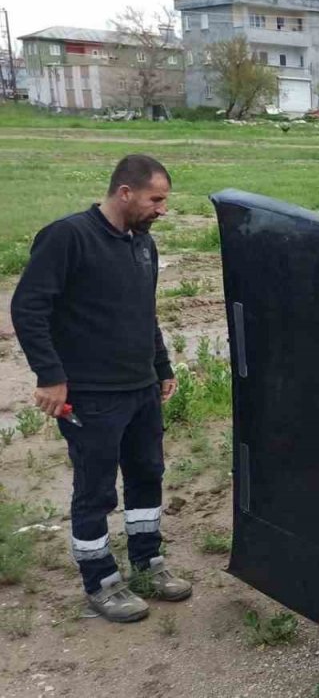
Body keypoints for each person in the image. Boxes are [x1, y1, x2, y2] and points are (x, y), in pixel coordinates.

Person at [11, 154, 188, 623]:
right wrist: (50, 376)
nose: (162, 209)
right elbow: (28, 308)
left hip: (140, 388)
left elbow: (145, 311)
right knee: (95, 489)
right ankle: (101, 582)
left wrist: (161, 366)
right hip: (91, 395)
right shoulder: (68, 237)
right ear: (125, 192)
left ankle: (148, 563)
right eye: (156, 199)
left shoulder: (143, 244)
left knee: (148, 473)